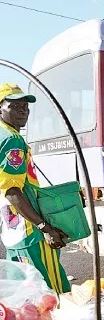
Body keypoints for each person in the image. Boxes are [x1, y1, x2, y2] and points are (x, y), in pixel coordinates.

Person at [0, 83, 70, 293]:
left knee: (25, 295)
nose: (23, 110)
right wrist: (44, 227)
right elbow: (12, 191)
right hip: (29, 229)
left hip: (11, 230)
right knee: (51, 293)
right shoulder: (12, 140)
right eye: (15, 105)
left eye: (26, 105)